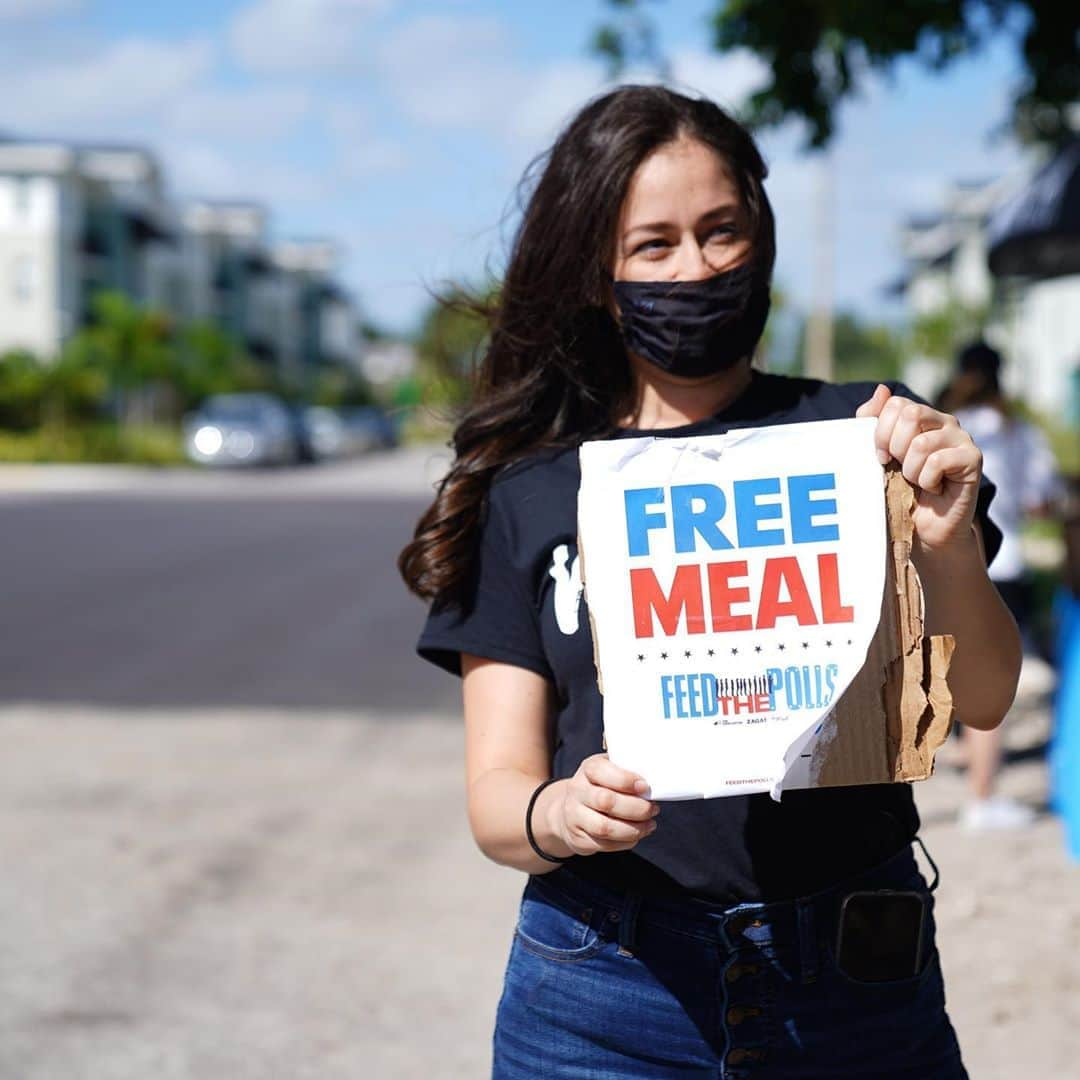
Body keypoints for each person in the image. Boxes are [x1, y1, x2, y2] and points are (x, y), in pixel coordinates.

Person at [399, 86, 1022, 1079]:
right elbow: (497, 797)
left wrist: (945, 544)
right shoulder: (534, 487)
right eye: (654, 245)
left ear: (760, 235)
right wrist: (557, 814)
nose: (696, 267)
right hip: (605, 992)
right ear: (599, 275)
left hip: (857, 984)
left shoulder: (868, 441)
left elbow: (984, 700)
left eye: (721, 231)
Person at [936, 342, 1062, 830]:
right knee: (990, 683)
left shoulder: (940, 426)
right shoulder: (1015, 431)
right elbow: (1040, 500)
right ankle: (983, 796)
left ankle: (965, 766)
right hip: (1000, 562)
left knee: (950, 671)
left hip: (947, 563)